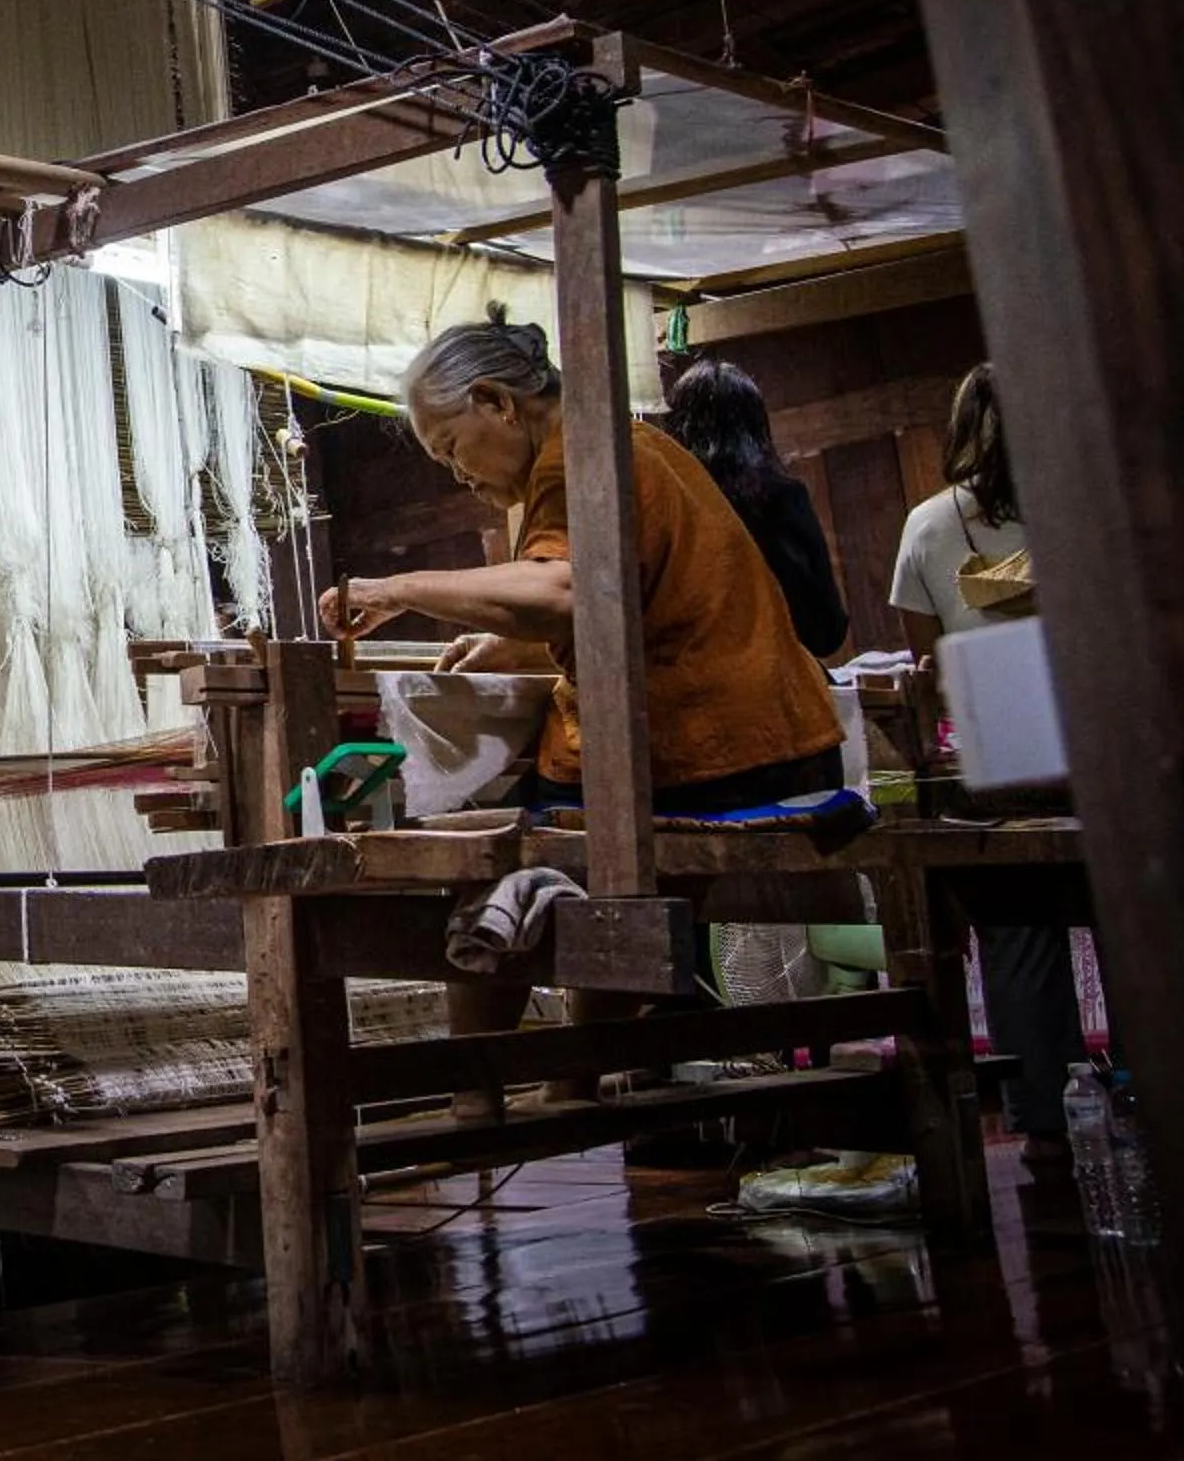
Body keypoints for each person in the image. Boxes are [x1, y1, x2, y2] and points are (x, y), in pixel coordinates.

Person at [322, 307, 846, 818]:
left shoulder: (578, 457)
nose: (458, 474)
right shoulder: (628, 441)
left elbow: (565, 593)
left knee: (493, 840)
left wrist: (396, 590)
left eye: (451, 449)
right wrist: (514, 648)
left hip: (716, 754)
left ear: (496, 401)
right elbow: (634, 608)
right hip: (786, 739)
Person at [888, 363, 1086, 1166]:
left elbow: (925, 666)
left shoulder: (929, 526)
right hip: (1100, 748)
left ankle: (1045, 1120)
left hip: (999, 762)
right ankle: (1164, 1095)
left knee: (1020, 938)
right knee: (1140, 926)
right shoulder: (1081, 498)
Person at [662, 356, 849, 659]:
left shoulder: (666, 508)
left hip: (691, 691)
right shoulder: (783, 499)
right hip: (773, 689)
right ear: (758, 425)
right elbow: (827, 632)